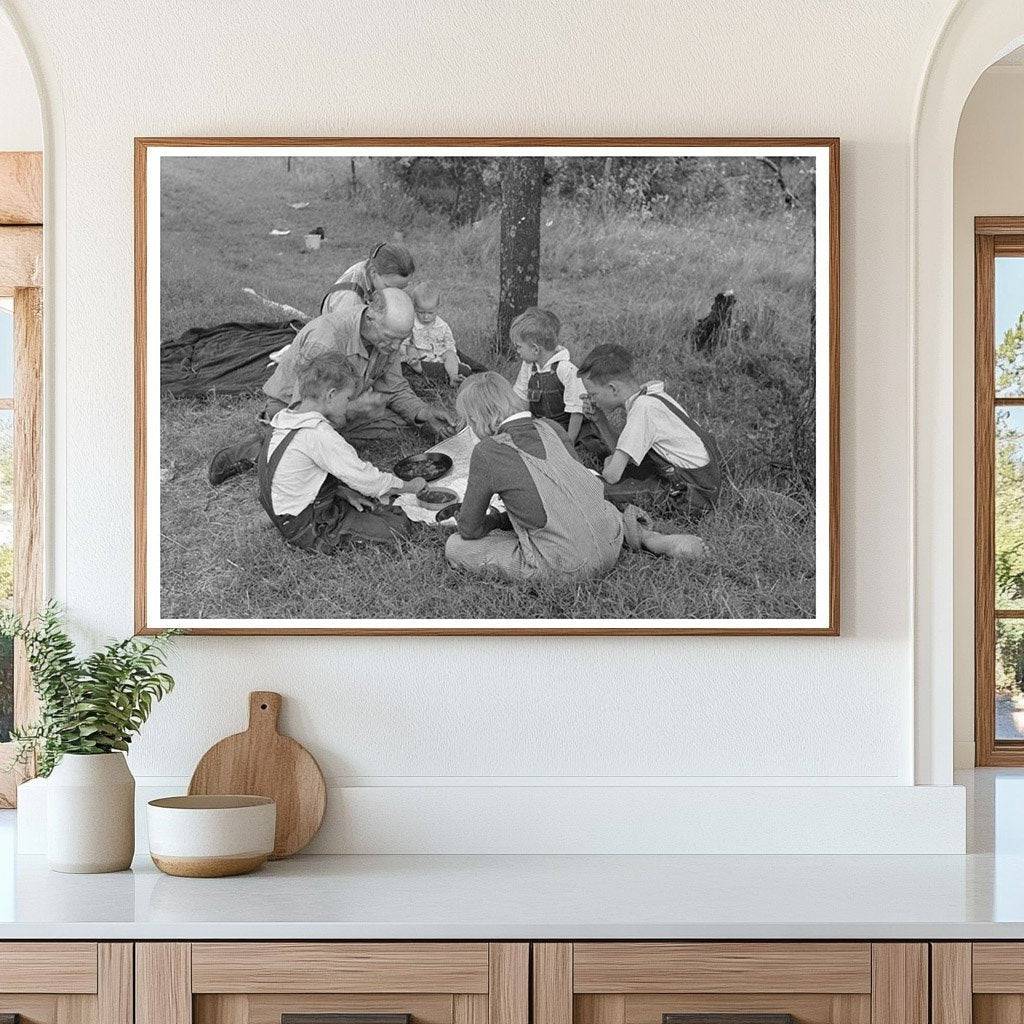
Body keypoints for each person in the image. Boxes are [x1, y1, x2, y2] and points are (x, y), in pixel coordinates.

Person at [208, 288, 455, 485]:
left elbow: (394, 387)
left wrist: (423, 412)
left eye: (402, 340)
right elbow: (304, 411)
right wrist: (355, 410)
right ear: (370, 317)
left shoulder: (387, 339)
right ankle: (261, 446)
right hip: (293, 410)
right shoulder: (326, 338)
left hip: (339, 406)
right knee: (317, 444)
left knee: (399, 423)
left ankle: (322, 443)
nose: (395, 347)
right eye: (391, 339)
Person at [444, 372, 624, 582]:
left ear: (475, 419)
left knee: (455, 546)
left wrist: (495, 521)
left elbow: (469, 529)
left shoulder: (487, 451)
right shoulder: (552, 426)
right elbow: (574, 490)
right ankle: (640, 535)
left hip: (566, 568)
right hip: (611, 542)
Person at [257, 353, 426, 553]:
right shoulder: (319, 434)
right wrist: (409, 486)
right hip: (304, 525)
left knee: (373, 507)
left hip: (291, 509)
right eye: (347, 398)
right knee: (398, 528)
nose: (348, 406)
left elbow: (300, 476)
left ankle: (338, 506)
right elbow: (367, 479)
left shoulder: (286, 418)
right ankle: (324, 534)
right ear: (331, 395)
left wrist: (342, 491)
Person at [576, 343, 723, 511]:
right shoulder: (649, 396)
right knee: (618, 468)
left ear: (612, 388)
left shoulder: (643, 409)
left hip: (692, 495)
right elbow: (621, 452)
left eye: (593, 394)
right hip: (697, 481)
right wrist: (599, 420)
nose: (592, 400)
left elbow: (612, 475)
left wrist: (607, 465)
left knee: (593, 491)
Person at [509, 308, 588, 445]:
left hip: (567, 429)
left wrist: (568, 443)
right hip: (541, 426)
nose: (517, 351)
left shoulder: (566, 370)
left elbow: (576, 412)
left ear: (535, 349)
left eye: (519, 347)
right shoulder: (529, 367)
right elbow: (521, 399)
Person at [400, 280, 469, 385]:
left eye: (430, 313)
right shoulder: (411, 323)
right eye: (421, 312)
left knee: (450, 354)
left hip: (440, 358)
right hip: (420, 359)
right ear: (414, 307)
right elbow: (404, 342)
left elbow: (450, 345)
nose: (426, 316)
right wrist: (408, 356)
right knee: (410, 347)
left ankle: (453, 377)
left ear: (437, 308)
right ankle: (423, 371)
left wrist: (450, 354)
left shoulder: (442, 326)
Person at [321, 241, 415, 314]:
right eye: (389, 287)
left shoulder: (373, 267)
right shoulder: (350, 299)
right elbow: (345, 335)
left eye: (402, 288)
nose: (396, 293)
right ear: (373, 272)